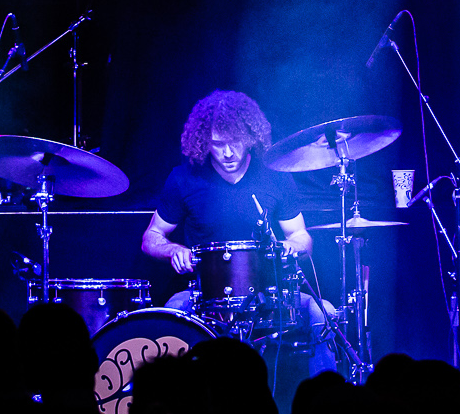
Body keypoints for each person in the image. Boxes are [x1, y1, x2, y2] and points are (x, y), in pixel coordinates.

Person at [141, 90, 332, 373]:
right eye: (218, 144)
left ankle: (326, 396)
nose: (228, 153)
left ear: (251, 137)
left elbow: (301, 236)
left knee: (323, 313)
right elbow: (151, 237)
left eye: (236, 142)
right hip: (204, 297)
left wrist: (292, 246)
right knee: (170, 319)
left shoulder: (276, 176)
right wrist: (173, 250)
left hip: (271, 295)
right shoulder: (183, 178)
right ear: (203, 142)